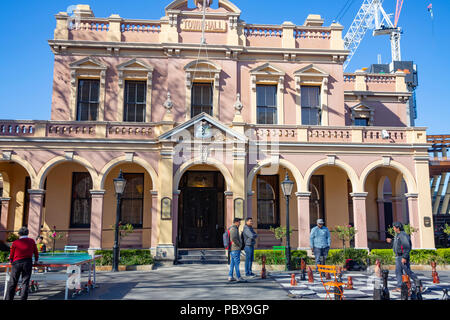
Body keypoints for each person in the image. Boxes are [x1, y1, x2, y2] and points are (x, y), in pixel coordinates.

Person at [5, 226, 39, 300]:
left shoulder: (15, 242)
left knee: (12, 282)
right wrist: (36, 260)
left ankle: (9, 298)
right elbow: (36, 252)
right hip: (27, 262)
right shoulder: (32, 241)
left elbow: (12, 254)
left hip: (16, 263)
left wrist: (11, 261)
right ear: (27, 233)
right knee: (25, 282)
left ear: (19, 234)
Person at [386, 222, 419, 292]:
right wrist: (391, 241)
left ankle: (419, 285)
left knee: (408, 271)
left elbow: (407, 247)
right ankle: (399, 287)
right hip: (398, 256)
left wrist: (404, 257)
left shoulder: (403, 235)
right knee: (398, 272)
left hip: (402, 256)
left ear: (398, 228)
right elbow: (398, 245)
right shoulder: (397, 235)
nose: (393, 228)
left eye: (394, 227)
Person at [228, 218, 246, 283]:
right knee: (236, 264)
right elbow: (234, 238)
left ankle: (230, 276)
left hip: (234, 249)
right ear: (236, 222)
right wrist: (240, 245)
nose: (240, 223)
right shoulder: (234, 229)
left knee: (232, 263)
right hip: (235, 249)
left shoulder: (234, 228)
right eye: (239, 222)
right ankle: (238, 277)